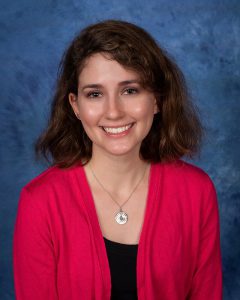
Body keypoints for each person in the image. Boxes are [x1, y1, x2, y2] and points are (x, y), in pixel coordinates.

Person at [13, 20, 222, 299]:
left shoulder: (197, 192)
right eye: (95, 94)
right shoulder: (39, 202)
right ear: (75, 106)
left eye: (130, 90)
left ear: (157, 99)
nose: (113, 112)